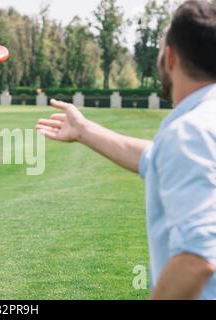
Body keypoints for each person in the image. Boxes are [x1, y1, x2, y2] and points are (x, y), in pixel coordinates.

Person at [36, 0, 216, 299]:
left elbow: (196, 257)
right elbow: (154, 158)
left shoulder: (189, 132)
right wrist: (84, 131)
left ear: (169, 57)